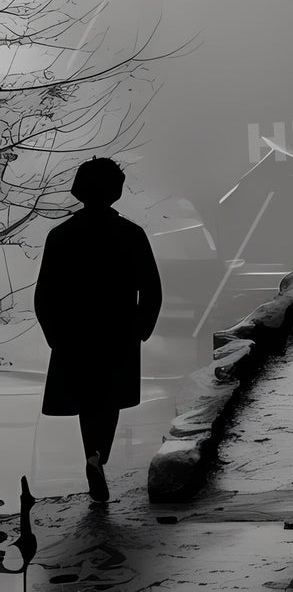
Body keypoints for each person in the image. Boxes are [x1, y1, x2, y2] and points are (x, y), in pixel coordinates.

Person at [34, 157, 162, 503]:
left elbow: (44, 295)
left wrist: (55, 336)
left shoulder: (61, 236)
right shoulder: (131, 234)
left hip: (74, 336)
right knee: (108, 401)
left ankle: (92, 456)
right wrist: (139, 329)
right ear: (115, 192)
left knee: (87, 399)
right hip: (117, 334)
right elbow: (151, 289)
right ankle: (97, 457)